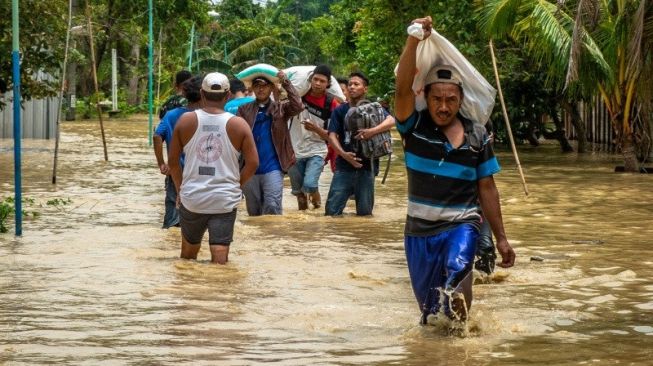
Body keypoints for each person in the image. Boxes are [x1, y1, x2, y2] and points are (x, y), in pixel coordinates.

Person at [394, 16, 515, 324]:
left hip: (462, 223)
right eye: (437, 99)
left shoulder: (478, 135)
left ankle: (462, 337)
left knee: (459, 270)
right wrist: (413, 38)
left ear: (461, 100)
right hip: (418, 233)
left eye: (451, 99)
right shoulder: (414, 127)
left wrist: (501, 238)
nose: (444, 106)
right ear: (426, 97)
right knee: (431, 313)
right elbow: (402, 90)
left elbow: (487, 188)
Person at [168, 72, 258, 264]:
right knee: (220, 256)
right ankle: (218, 290)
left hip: (193, 197)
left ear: (202, 93)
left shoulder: (185, 121)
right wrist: (237, 185)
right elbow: (253, 163)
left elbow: (173, 162)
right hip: (224, 199)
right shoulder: (239, 125)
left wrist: (180, 189)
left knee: (188, 255)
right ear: (228, 96)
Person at [324, 72, 395, 216]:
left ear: (365, 89)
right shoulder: (340, 110)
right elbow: (331, 136)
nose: (351, 87)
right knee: (331, 213)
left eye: (356, 84)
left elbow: (392, 121)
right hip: (344, 166)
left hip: (367, 166)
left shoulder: (374, 108)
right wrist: (344, 155)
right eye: (350, 84)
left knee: (365, 214)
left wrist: (372, 131)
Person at [237, 71, 302, 216]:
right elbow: (236, 137)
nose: (261, 89)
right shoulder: (243, 110)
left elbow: (298, 106)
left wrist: (286, 82)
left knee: (272, 207)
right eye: (257, 86)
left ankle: (273, 237)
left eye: (265, 86)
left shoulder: (281, 108)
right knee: (253, 212)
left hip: (273, 167)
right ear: (252, 89)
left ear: (272, 88)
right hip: (249, 168)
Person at [153, 75, 202, 229]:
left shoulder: (171, 115)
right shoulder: (209, 116)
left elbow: (156, 136)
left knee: (173, 219)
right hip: (200, 174)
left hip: (176, 173)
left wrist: (162, 164)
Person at [288, 64, 339, 210]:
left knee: (310, 185)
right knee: (299, 194)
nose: (317, 83)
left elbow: (333, 136)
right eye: (315, 79)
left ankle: (317, 210)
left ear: (328, 84)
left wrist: (316, 129)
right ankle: (305, 225)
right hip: (295, 149)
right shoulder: (300, 95)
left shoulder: (331, 103)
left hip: (317, 150)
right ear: (310, 79)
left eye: (322, 81)